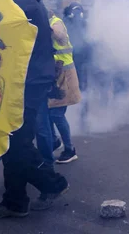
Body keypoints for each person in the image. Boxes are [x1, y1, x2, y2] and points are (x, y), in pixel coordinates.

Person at [0, 0, 69, 219]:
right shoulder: (28, 1)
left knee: (16, 144)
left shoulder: (19, 5)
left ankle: (46, 187)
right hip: (27, 82)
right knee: (13, 144)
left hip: (25, 83)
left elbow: (3, 43)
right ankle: (16, 200)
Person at [48, 10, 81, 164]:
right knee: (49, 112)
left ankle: (70, 149)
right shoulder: (49, 21)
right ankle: (55, 141)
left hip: (64, 75)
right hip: (56, 74)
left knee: (56, 114)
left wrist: (45, 28)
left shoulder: (55, 22)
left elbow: (59, 35)